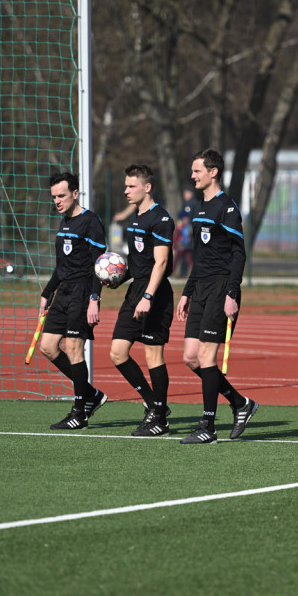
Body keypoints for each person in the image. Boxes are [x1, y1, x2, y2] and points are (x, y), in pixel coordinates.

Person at [175, 149, 258, 444]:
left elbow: (239, 254)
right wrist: (186, 292)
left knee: (207, 356)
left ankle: (207, 427)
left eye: (197, 171)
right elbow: (200, 257)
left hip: (222, 287)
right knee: (190, 358)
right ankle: (240, 403)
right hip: (200, 288)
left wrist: (232, 293)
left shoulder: (228, 208)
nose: (193, 175)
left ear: (213, 172)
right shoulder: (198, 207)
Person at [37, 172, 109, 430]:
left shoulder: (90, 222)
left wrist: (94, 299)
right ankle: (92, 394)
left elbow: (99, 265)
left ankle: (79, 412)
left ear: (75, 194)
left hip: (81, 293)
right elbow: (61, 266)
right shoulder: (64, 223)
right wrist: (47, 293)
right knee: (47, 346)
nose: (57, 201)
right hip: (62, 293)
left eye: (62, 196)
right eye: (54, 197)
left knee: (75, 349)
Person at [108, 164, 177, 436]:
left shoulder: (161, 219)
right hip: (135, 291)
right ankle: (154, 405)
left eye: (131, 186)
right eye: (125, 186)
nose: (126, 191)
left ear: (147, 188)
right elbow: (140, 262)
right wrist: (118, 278)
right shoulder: (135, 218)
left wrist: (148, 296)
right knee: (117, 352)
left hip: (155, 294)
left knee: (152, 355)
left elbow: (160, 264)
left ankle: (159, 419)